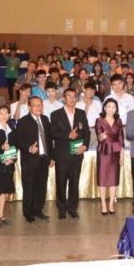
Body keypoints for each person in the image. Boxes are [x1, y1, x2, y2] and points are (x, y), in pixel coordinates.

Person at [50, 87, 90, 219]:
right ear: (63, 98)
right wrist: (68, 135)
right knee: (61, 183)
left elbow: (87, 133)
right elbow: (53, 133)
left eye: (74, 96)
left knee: (74, 182)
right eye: (69, 96)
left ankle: (73, 208)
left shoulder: (81, 113)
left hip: (77, 154)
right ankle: (61, 209)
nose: (72, 99)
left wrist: (85, 145)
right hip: (62, 155)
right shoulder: (56, 114)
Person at [14, 96, 52, 223]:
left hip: (44, 159)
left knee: (41, 187)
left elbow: (49, 140)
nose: (38, 107)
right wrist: (28, 148)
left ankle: (38, 210)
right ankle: (28, 213)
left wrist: (51, 157)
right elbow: (18, 140)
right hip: (29, 160)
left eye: (40, 104)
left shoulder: (45, 119)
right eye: (35, 105)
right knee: (29, 187)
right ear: (29, 107)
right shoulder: (23, 121)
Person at [95, 98, 125, 215]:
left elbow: (121, 138)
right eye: (109, 106)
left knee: (113, 178)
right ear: (104, 108)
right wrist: (101, 136)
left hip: (115, 151)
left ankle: (111, 204)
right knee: (102, 178)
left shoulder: (119, 121)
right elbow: (98, 135)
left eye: (113, 107)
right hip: (103, 150)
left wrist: (122, 154)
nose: (111, 109)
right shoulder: (99, 120)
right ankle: (103, 203)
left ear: (116, 109)